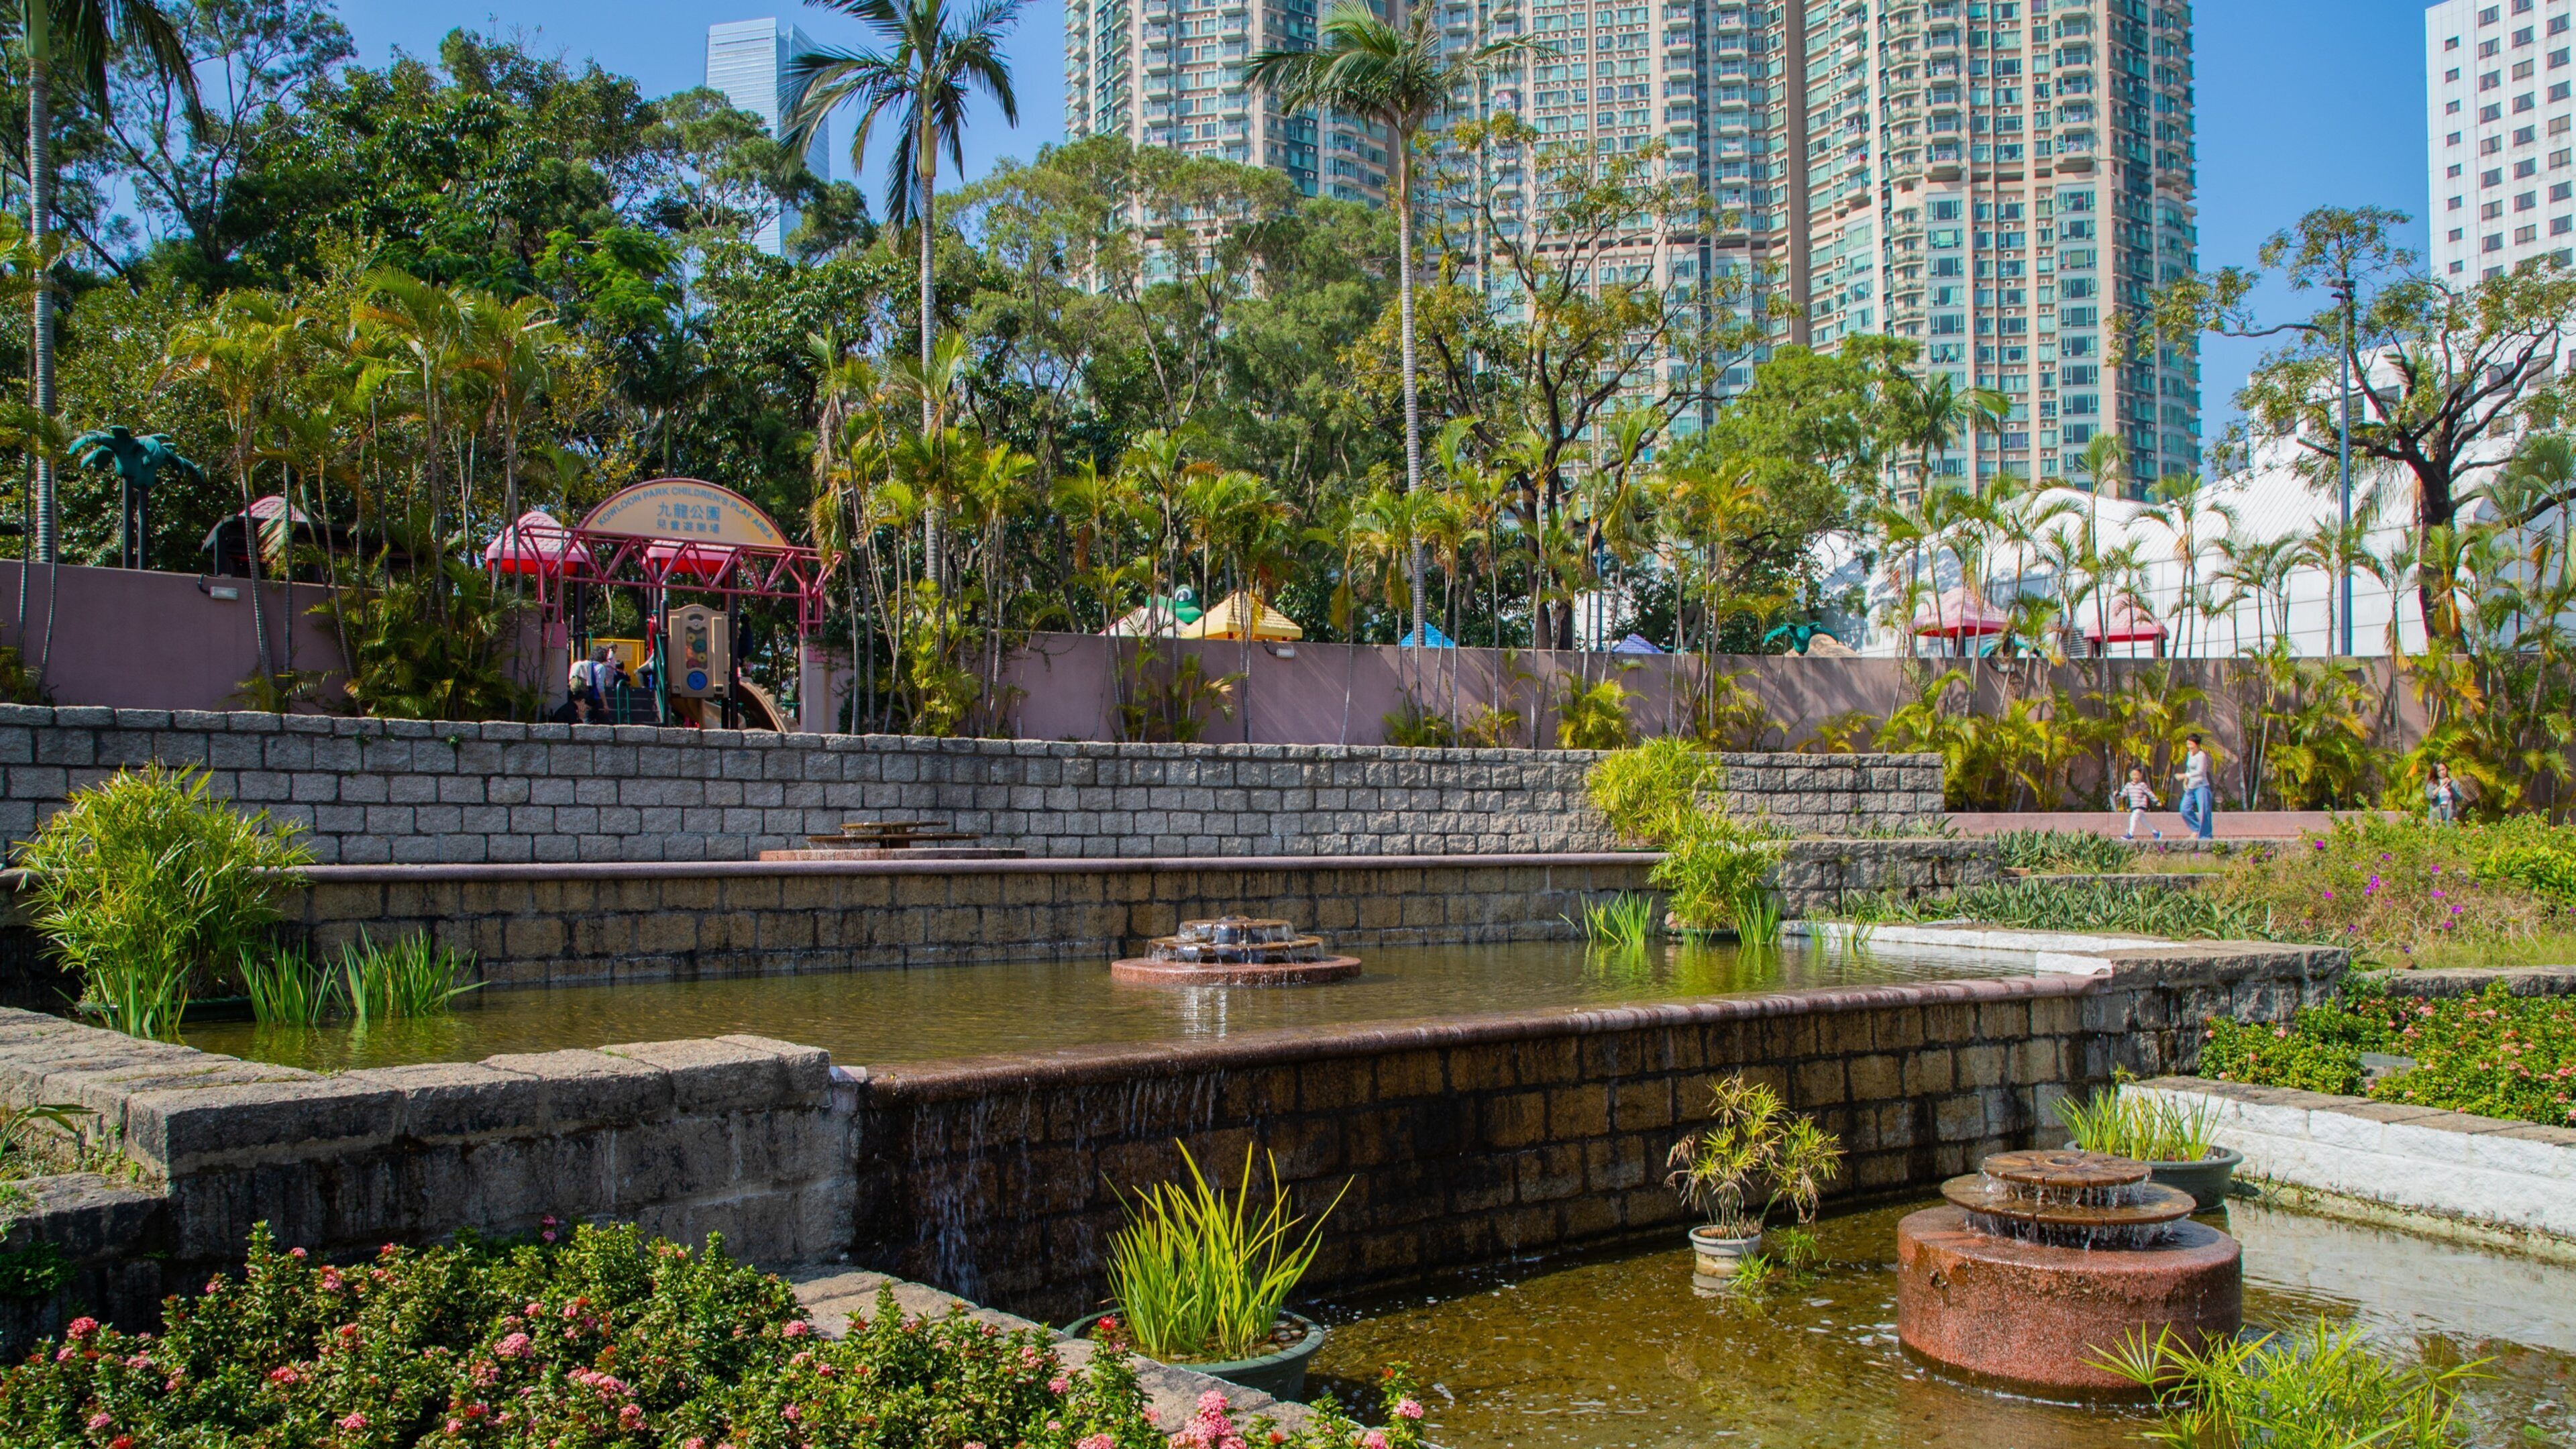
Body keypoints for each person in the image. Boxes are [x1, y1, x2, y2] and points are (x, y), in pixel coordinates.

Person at [2176, 734, 2214, 842]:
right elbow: (2190, 769)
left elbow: (2200, 772)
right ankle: (2196, 828)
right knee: (2184, 809)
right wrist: (2186, 780)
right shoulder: (2189, 754)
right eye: (2187, 743)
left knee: (2204, 811)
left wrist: (2184, 776)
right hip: (2191, 787)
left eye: (2191, 744)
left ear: (2197, 745)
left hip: (2201, 786)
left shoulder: (2201, 756)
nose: (2188, 746)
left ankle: (2205, 836)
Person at [568, 646, 613, 724]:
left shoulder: (587, 664)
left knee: (584, 719)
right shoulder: (600, 667)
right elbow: (600, 686)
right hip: (592, 697)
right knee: (590, 720)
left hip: (581, 695)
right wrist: (605, 704)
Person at [2115, 767, 2161, 841]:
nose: (2135, 777)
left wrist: (2156, 801)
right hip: (2134, 806)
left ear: (2140, 776)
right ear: (2130, 776)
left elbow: (2149, 793)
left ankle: (2130, 834)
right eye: (2133, 775)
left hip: (2140, 806)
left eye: (2137, 775)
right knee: (2144, 821)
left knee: (2133, 818)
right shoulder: (2128, 785)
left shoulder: (2142, 785)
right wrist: (2117, 794)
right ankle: (2155, 832)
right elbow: (2123, 794)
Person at [2428, 761, 2461, 825]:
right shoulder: (2432, 783)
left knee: (2450, 829)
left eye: (2443, 769)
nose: (2442, 772)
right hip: (2437, 810)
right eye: (2439, 771)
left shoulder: (2454, 783)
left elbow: (2459, 798)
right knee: (2436, 830)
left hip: (2450, 810)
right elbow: (2430, 795)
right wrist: (2442, 785)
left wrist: (2451, 789)